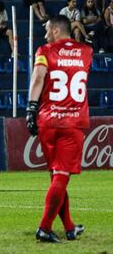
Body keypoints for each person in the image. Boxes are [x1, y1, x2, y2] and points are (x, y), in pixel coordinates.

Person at [26, 15, 92, 243]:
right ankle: (44, 228)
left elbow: (37, 79)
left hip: (47, 121)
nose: (45, 33)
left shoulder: (44, 51)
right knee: (61, 177)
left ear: (55, 30)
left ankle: (70, 227)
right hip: (71, 123)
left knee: (56, 176)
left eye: (46, 29)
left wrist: (31, 109)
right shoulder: (86, 52)